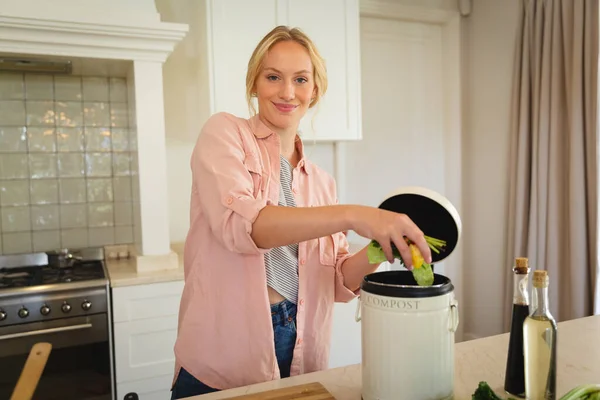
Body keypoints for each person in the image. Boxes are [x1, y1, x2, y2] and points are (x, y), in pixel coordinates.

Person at [170, 25, 432, 399]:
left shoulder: (321, 182)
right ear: (254, 84)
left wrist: (380, 246)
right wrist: (355, 215)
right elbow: (248, 227)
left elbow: (337, 281)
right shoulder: (225, 135)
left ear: (315, 90)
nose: (287, 92)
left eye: (301, 79)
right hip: (224, 349)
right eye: (273, 76)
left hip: (300, 347)